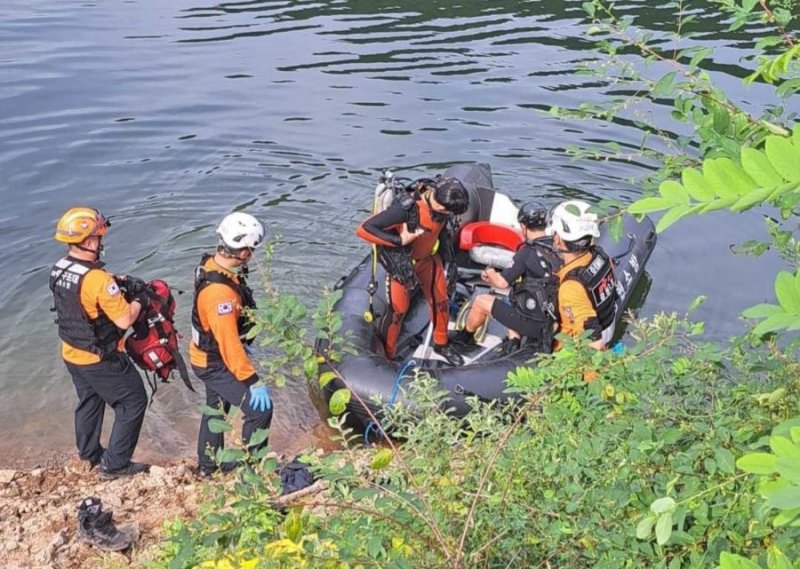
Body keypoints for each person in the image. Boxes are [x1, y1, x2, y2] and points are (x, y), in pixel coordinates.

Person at [50, 207, 149, 480]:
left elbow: (80, 294)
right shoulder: (99, 280)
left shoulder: (60, 268)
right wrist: (141, 298)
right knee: (132, 401)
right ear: (90, 241)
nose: (101, 241)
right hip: (100, 358)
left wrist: (114, 282)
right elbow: (124, 320)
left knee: (89, 400)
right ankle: (115, 465)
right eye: (98, 236)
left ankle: (89, 453)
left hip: (72, 353)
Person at [190, 211, 272, 477]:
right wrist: (252, 380)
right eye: (251, 250)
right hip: (214, 362)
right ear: (244, 252)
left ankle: (208, 466)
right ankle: (252, 470)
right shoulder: (219, 294)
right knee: (260, 410)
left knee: (216, 408)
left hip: (206, 355)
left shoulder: (214, 267)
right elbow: (228, 345)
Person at [356, 177, 469, 366]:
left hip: (429, 260)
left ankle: (441, 344)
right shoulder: (406, 209)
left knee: (441, 302)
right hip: (404, 264)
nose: (447, 214)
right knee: (398, 311)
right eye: (445, 210)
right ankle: (389, 354)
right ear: (434, 197)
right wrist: (399, 240)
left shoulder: (443, 206)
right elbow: (363, 229)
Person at [450, 201, 563, 356]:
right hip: (555, 318)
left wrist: (490, 272)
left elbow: (501, 283)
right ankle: (513, 341)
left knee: (481, 301)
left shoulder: (526, 252)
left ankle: (465, 339)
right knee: (517, 296)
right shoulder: (558, 247)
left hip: (537, 324)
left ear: (523, 227)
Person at [547, 200, 618, 350]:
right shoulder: (600, 255)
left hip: (570, 352)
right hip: (608, 322)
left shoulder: (571, 287)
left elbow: (594, 342)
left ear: (558, 239)